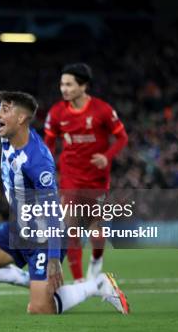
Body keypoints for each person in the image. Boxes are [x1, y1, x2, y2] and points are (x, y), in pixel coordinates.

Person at [0, 19, 129, 315]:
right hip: (19, 226)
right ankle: (36, 282)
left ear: (21, 119)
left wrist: (53, 258)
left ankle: (95, 285)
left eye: (6, 110)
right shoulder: (8, 133)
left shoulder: (39, 161)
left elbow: (51, 213)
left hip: (43, 235)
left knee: (39, 310)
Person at [43, 64, 128, 282]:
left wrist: (106, 157)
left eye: (69, 84)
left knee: (96, 230)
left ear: (83, 86)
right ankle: (80, 281)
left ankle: (96, 261)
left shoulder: (103, 110)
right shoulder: (57, 112)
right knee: (71, 227)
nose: (64, 89)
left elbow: (122, 138)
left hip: (97, 179)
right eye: (62, 84)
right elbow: (49, 145)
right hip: (70, 176)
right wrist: (46, 167)